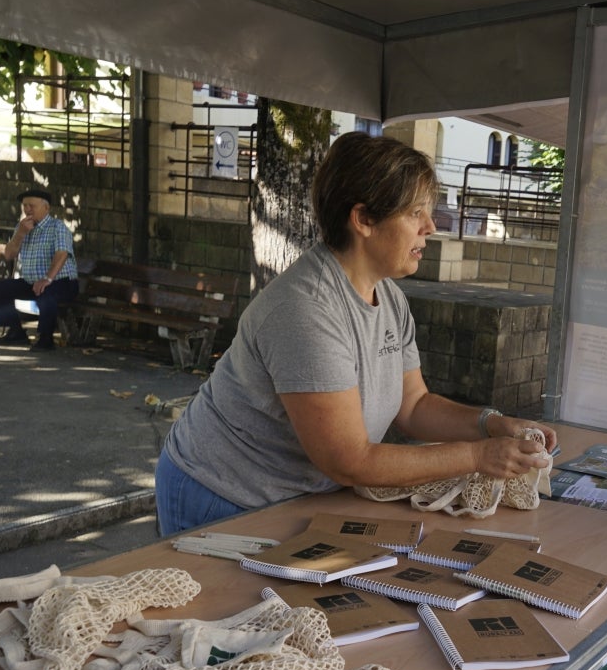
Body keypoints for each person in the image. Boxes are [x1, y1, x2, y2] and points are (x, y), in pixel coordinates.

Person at [156, 132, 556, 536]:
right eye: (414, 213)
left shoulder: (390, 298)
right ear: (363, 219)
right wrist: (477, 455)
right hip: (222, 493)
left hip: (300, 494)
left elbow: (414, 406)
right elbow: (349, 460)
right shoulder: (306, 310)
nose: (431, 227)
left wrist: (491, 423)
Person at [0, 187, 79, 351]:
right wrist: (20, 235)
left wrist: (47, 279)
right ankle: (16, 332)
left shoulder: (57, 227)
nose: (27, 210)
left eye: (32, 206)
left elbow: (62, 254)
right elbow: (8, 255)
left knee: (46, 294)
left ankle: (45, 339)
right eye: (25, 206)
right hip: (32, 282)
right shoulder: (22, 227)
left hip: (62, 282)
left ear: (46, 208)